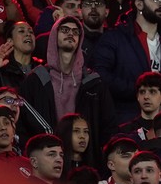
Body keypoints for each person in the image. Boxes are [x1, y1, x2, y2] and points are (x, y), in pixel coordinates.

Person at [19, 16, 114, 145]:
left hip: (86, 153)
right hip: (48, 152)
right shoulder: (35, 80)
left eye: (75, 31)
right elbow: (24, 123)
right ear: (54, 35)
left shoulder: (94, 82)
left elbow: (108, 125)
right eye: (65, 30)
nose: (70, 34)